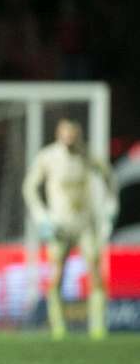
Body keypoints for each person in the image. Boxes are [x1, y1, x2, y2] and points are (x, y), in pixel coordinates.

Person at [22, 118, 117, 340]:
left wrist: (110, 210)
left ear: (79, 135)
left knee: (95, 271)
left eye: (73, 135)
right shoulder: (48, 157)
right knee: (56, 275)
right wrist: (41, 217)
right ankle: (58, 327)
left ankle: (98, 326)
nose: (70, 139)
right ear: (58, 134)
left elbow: (110, 179)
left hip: (85, 224)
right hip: (59, 225)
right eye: (66, 135)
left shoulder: (89, 156)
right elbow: (29, 187)